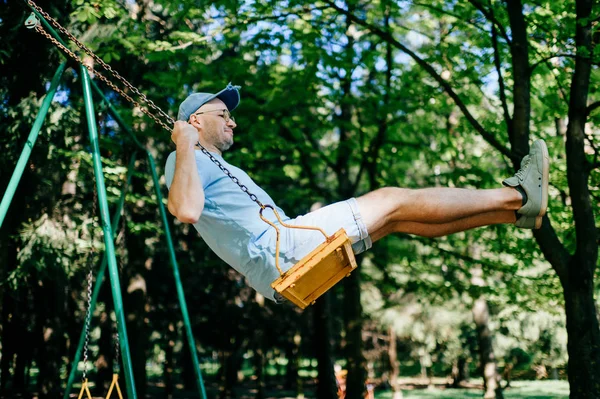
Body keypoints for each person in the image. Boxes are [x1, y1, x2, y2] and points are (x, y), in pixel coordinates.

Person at [165, 83, 549, 302]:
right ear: (195, 121)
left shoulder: (214, 164)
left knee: (398, 218)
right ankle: (515, 194)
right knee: (392, 198)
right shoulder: (184, 157)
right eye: (223, 115)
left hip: (275, 259)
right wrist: (183, 143)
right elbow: (184, 210)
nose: (232, 121)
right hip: (278, 250)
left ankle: (517, 213)